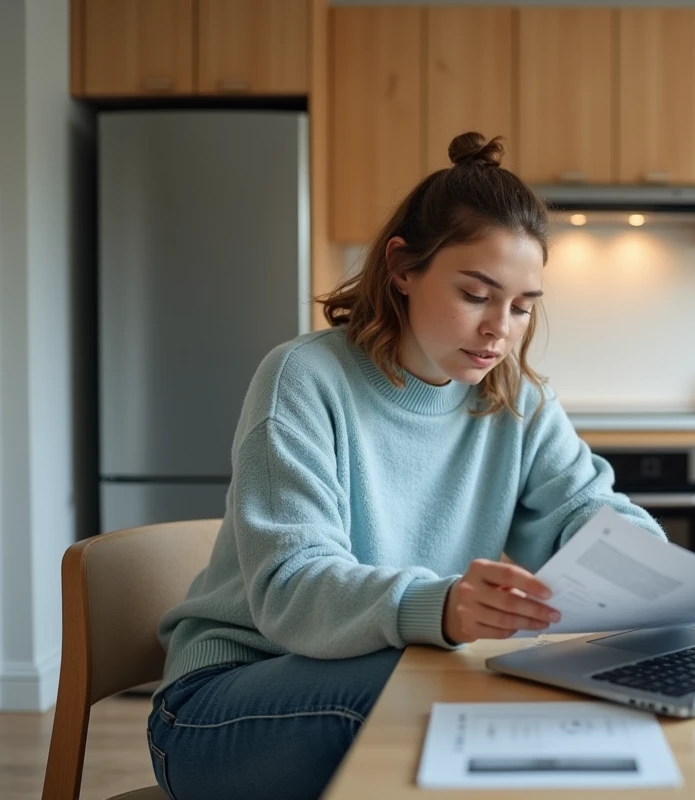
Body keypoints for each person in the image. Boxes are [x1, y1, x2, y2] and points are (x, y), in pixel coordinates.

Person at [145, 132, 666, 800]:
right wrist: (440, 604)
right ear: (401, 268)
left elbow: (586, 514)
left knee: (516, 699)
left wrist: (655, 572)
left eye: (522, 306)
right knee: (446, 701)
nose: (499, 330)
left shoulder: (518, 400)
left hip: (391, 674)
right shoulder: (304, 378)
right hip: (221, 708)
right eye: (477, 294)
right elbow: (291, 588)